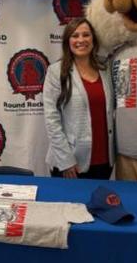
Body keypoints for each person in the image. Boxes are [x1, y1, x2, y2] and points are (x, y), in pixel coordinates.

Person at [43, 19, 115, 180]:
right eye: (75, 36)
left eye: (86, 35)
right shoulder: (56, 72)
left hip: (104, 160)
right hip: (70, 163)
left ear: (93, 39)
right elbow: (51, 119)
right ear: (68, 41)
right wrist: (66, 161)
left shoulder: (105, 69)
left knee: (98, 205)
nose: (81, 40)